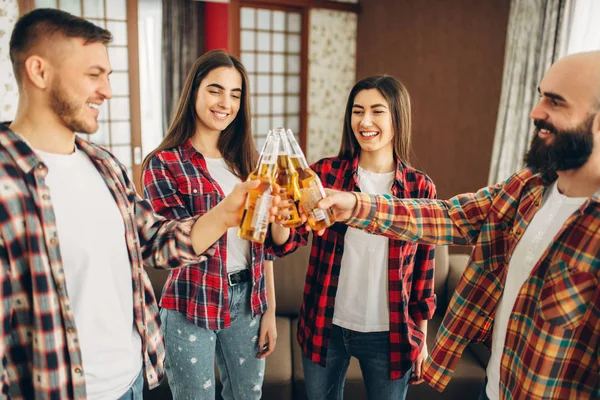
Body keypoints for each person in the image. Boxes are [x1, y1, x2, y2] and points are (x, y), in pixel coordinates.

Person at [0, 9, 277, 400]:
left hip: (131, 381)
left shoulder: (104, 166)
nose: (108, 91)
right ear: (39, 71)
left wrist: (228, 212)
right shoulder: (6, 183)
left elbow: (157, 241)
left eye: (108, 77)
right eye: (93, 75)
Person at [314, 51, 600, 399]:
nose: (535, 112)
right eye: (540, 96)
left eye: (555, 102)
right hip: (494, 389)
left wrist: (417, 335)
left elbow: (422, 274)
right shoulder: (527, 187)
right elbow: (447, 216)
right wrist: (355, 203)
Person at [141, 50, 296, 400]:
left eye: (235, 94)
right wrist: (226, 211)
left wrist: (269, 309)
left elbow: (266, 247)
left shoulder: (247, 163)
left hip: (248, 302)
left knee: (247, 396)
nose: (225, 102)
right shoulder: (163, 164)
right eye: (215, 90)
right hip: (189, 302)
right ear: (194, 91)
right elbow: (170, 244)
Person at [272, 76, 436, 400]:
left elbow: (423, 275)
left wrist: (421, 340)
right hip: (325, 325)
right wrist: (278, 216)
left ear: (397, 118)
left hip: (389, 334)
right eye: (357, 111)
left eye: (377, 112)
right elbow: (287, 240)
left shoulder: (420, 189)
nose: (365, 121)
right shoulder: (325, 174)